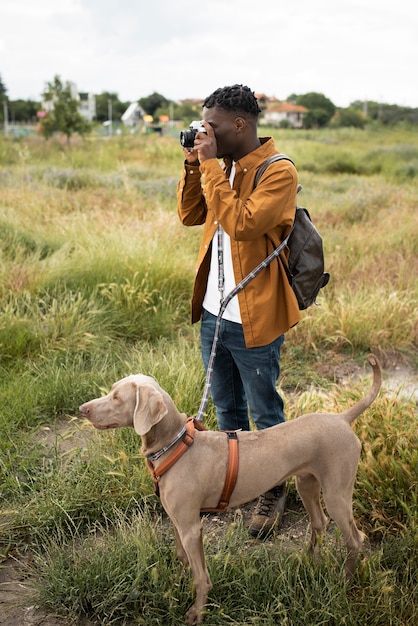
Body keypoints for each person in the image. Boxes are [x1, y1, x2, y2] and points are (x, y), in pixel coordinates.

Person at [176, 84, 301, 538]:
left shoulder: (278, 171)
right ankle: (235, 481)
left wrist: (210, 166)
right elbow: (191, 215)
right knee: (228, 410)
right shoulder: (218, 168)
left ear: (240, 125)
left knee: (265, 412)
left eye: (212, 127)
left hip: (256, 313)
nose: (205, 133)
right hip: (214, 311)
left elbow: (243, 224)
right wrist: (196, 165)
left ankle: (274, 488)